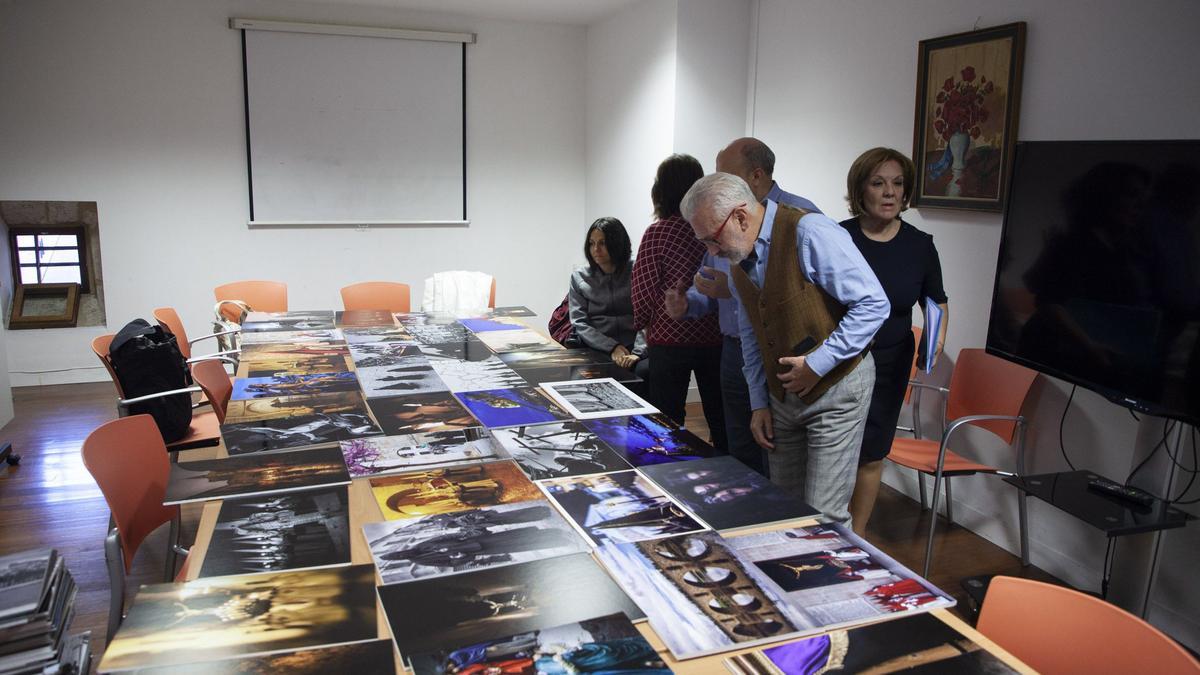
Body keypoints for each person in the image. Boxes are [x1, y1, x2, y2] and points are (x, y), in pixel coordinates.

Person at [679, 172, 888, 527]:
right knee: (785, 506)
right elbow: (751, 332)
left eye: (712, 239)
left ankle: (830, 580)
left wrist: (818, 363)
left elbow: (873, 304)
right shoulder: (738, 253)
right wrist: (759, 400)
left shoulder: (811, 233)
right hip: (783, 396)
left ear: (740, 216)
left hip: (836, 390)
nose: (711, 252)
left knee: (825, 514)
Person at [667, 137, 821, 476]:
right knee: (737, 443)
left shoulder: (802, 220)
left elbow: (818, 298)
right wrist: (688, 304)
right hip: (735, 349)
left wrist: (734, 291)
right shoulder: (719, 222)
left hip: (784, 355)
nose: (716, 183)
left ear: (756, 175)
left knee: (778, 451)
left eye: (725, 175)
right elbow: (707, 282)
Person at [840, 148, 949, 533]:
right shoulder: (839, 237)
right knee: (832, 451)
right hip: (840, 362)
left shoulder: (920, 245)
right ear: (860, 190)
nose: (889, 192)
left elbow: (935, 301)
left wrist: (934, 341)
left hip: (890, 363)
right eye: (878, 183)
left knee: (871, 453)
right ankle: (819, 529)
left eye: (898, 184)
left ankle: (857, 537)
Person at [631, 154, 726, 450]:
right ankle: (727, 474)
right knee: (720, 415)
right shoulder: (712, 229)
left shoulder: (658, 233)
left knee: (668, 419)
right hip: (714, 337)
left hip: (669, 338)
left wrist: (641, 325)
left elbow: (643, 288)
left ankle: (672, 476)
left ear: (661, 189)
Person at [568, 217, 650, 384]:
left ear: (617, 243)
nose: (596, 249)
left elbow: (648, 314)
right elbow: (580, 322)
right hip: (598, 346)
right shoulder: (579, 277)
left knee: (645, 371)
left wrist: (638, 352)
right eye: (591, 243)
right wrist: (611, 347)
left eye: (602, 243)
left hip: (635, 345)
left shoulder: (638, 270)